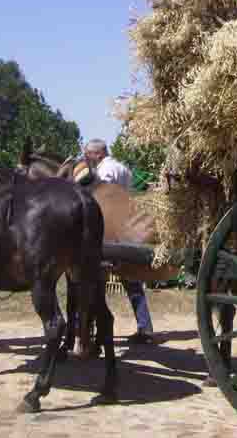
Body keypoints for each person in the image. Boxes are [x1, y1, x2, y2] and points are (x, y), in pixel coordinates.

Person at [83, 138, 156, 345]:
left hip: (109, 229)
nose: (87, 158)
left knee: (95, 281)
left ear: (98, 153)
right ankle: (145, 327)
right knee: (132, 281)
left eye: (89, 154)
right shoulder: (123, 168)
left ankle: (93, 331)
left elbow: (103, 200)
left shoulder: (104, 172)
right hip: (128, 226)